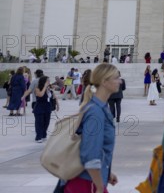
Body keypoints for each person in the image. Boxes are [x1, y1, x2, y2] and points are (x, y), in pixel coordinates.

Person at [63, 63, 120, 193]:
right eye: (116, 78)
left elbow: (100, 149)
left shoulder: (101, 108)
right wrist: (99, 186)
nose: (119, 81)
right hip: (87, 183)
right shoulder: (95, 112)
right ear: (104, 82)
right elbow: (90, 154)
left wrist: (107, 173)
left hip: (90, 180)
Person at [33, 75, 57, 143]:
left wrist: (52, 90)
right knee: (39, 123)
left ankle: (44, 135)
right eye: (47, 81)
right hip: (39, 107)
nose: (49, 82)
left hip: (47, 107)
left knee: (46, 122)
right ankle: (38, 137)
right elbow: (40, 95)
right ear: (44, 82)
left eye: (49, 81)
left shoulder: (48, 88)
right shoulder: (37, 88)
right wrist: (45, 87)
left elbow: (53, 97)